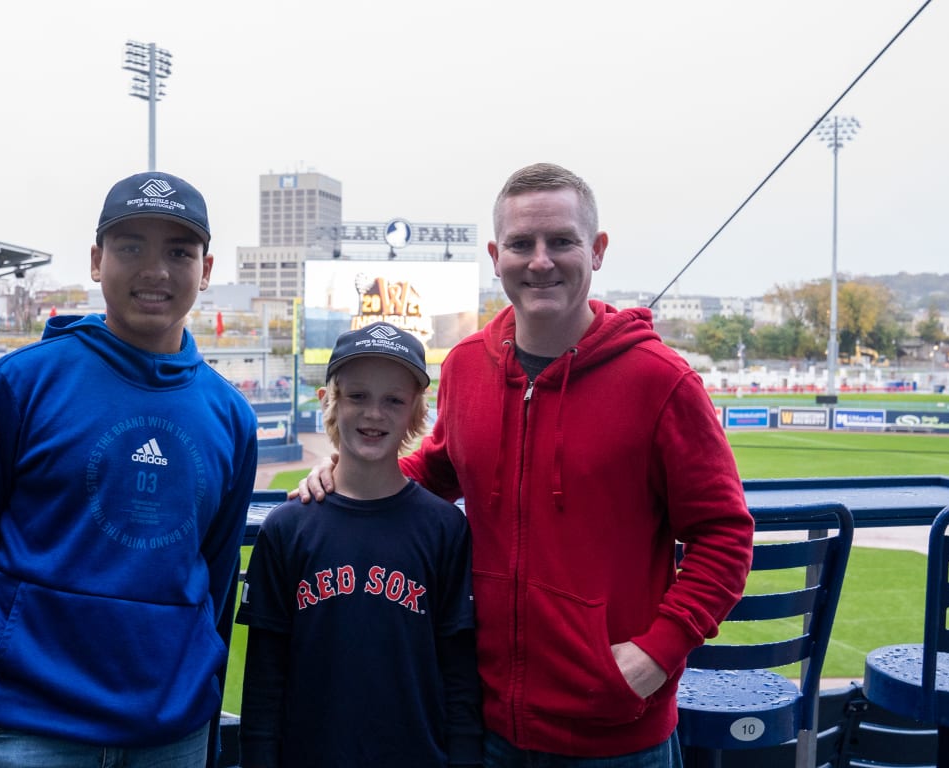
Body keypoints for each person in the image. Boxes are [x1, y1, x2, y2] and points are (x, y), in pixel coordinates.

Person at [302, 163, 753, 765]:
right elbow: (437, 469)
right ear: (496, 255)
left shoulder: (660, 381)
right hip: (486, 727)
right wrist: (343, 481)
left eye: (561, 241)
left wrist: (656, 653)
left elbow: (725, 533)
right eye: (521, 244)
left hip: (616, 738)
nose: (540, 261)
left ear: (596, 250)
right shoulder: (465, 366)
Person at [0, 171, 259, 768]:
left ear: (206, 270)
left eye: (178, 252)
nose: (155, 270)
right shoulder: (22, 382)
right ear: (96, 259)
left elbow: (215, 573)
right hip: (25, 727)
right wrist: (4, 653)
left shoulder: (229, 414)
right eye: (131, 246)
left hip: (170, 732)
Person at [238, 322, 482, 768]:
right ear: (328, 401)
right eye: (357, 396)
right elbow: (263, 683)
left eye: (393, 400)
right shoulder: (287, 529)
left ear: (415, 413)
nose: (374, 413)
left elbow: (460, 680)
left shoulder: (445, 528)